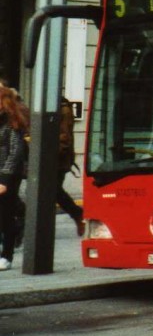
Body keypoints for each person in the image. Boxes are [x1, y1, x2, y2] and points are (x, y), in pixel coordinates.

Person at [0, 83, 30, 271]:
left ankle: (7, 255)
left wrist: (4, 180)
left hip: (8, 175)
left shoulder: (12, 121)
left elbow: (15, 152)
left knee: (5, 216)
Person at [57, 97, 85, 237]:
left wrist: (51, 154)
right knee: (53, 192)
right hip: (56, 158)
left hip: (57, 160)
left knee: (53, 191)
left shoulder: (63, 110)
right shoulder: (61, 108)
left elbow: (64, 137)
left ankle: (77, 214)